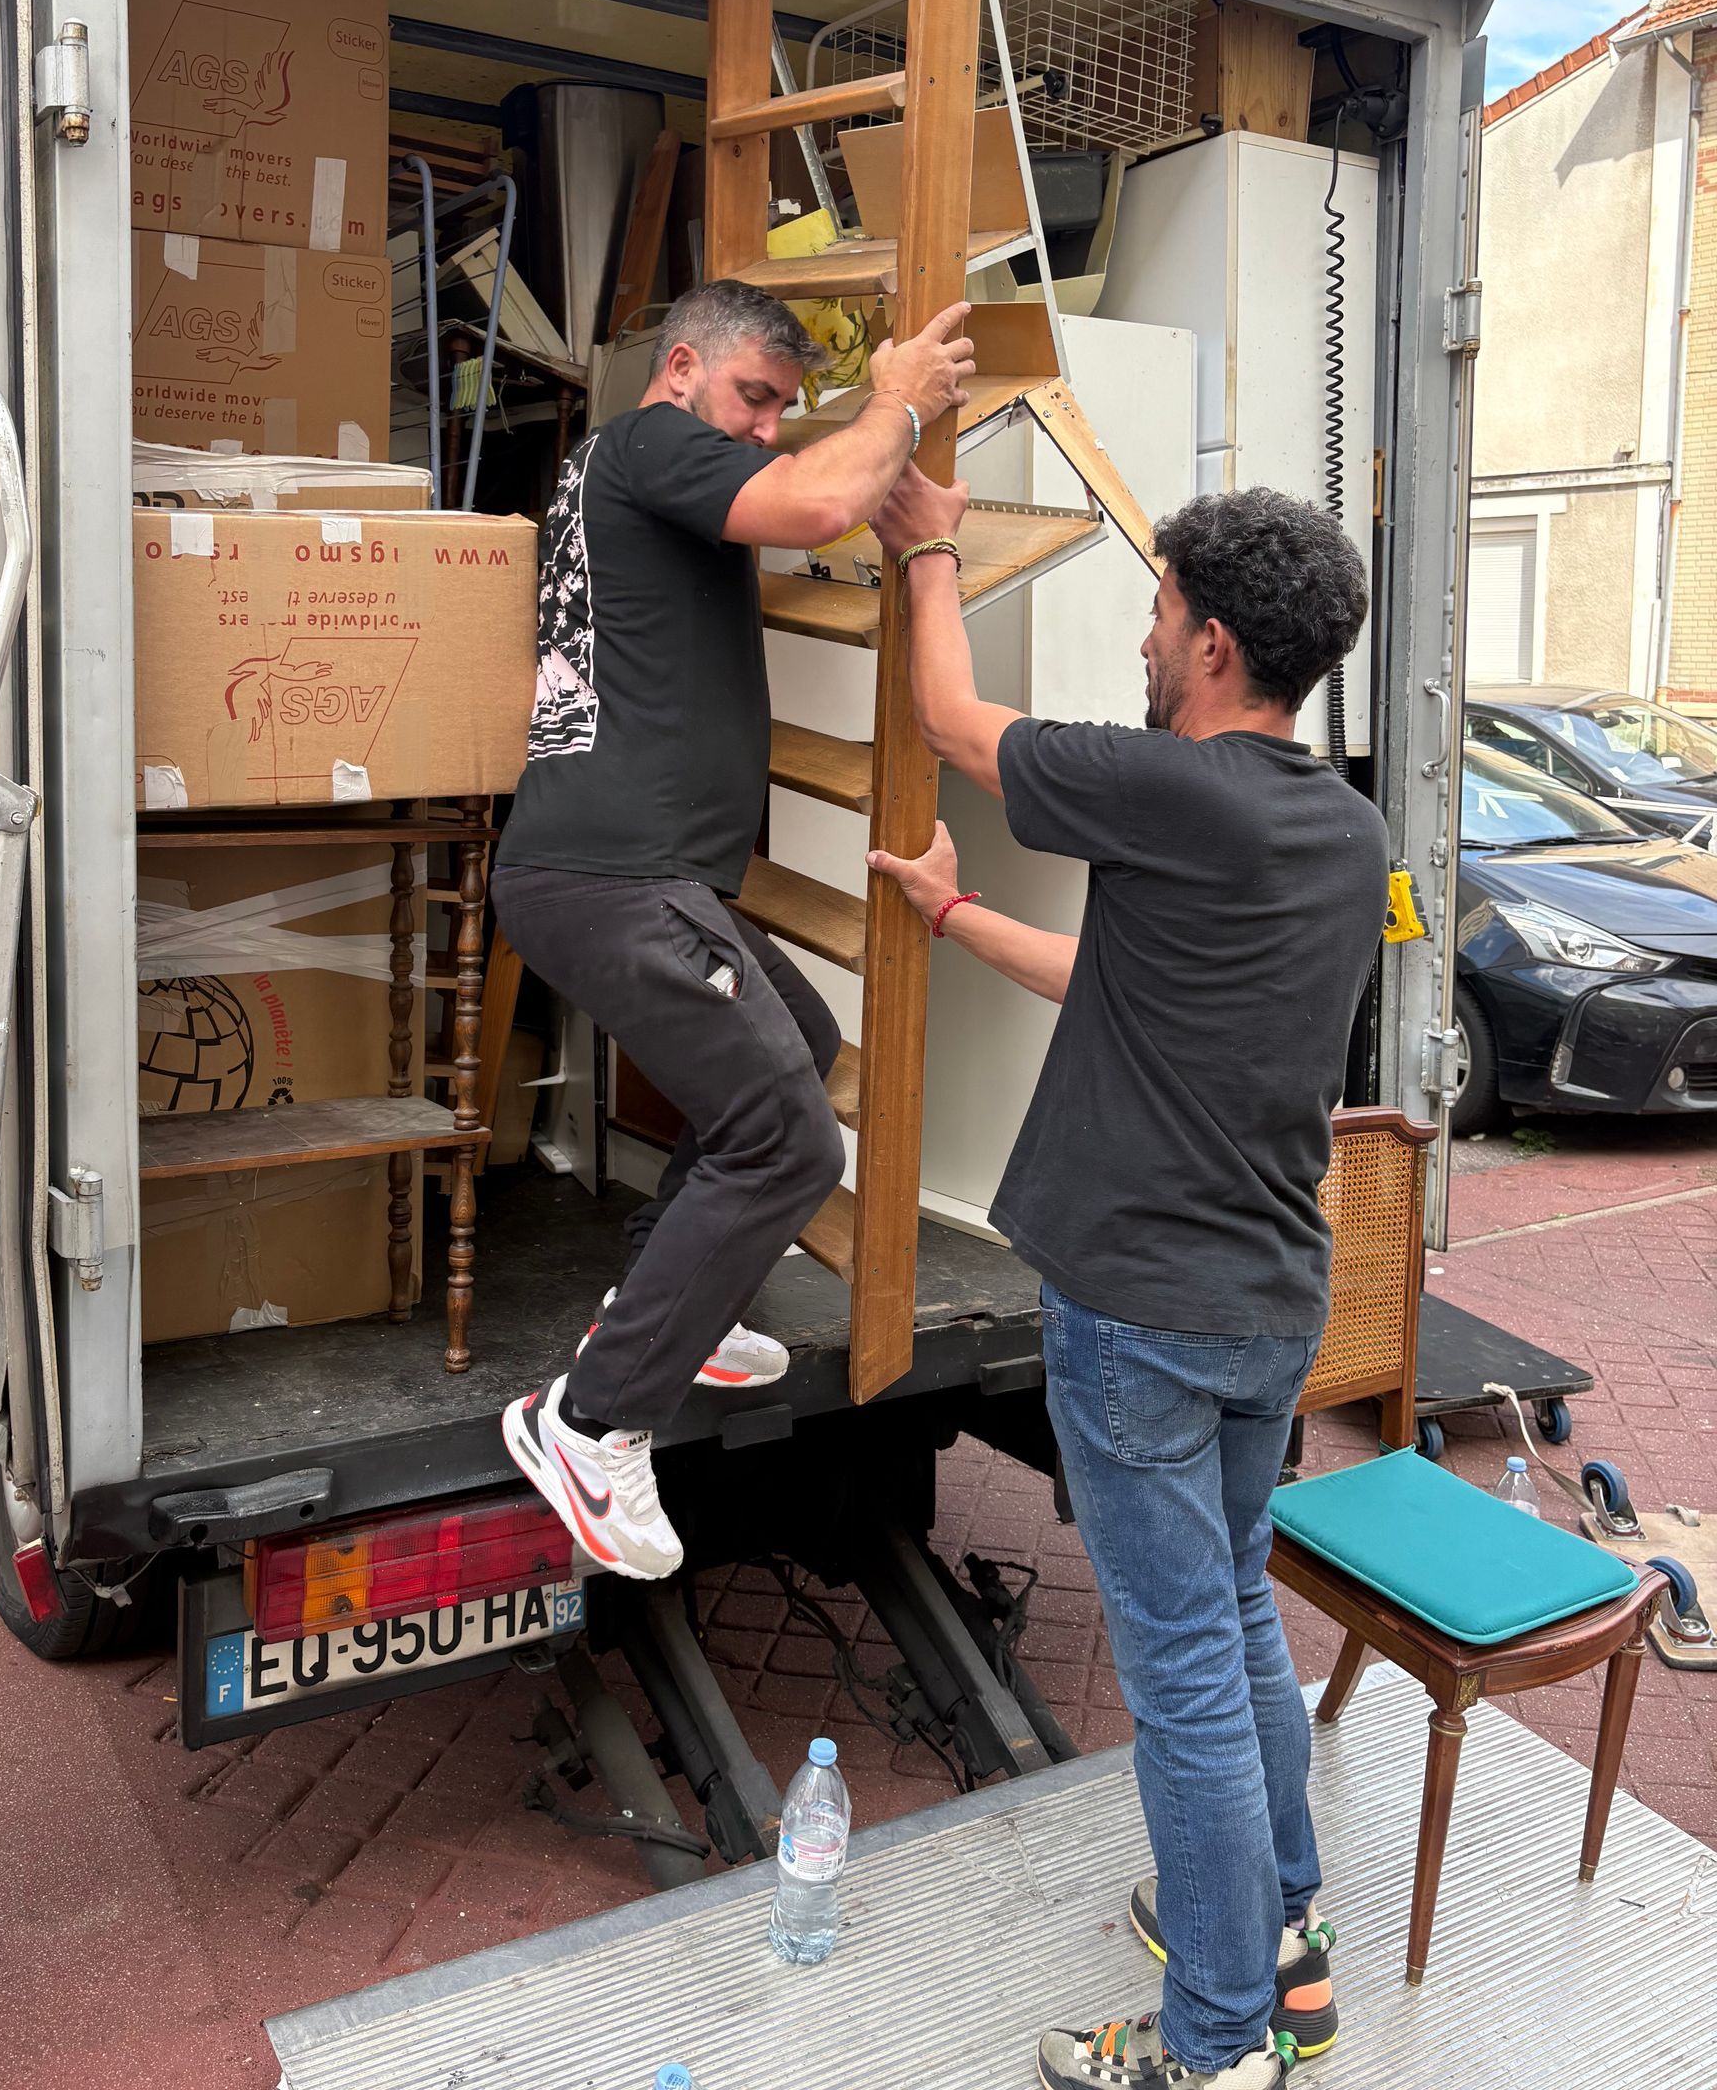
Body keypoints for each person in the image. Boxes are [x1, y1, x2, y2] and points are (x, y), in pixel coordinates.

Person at [866, 471, 1386, 2090]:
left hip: (1144, 1321)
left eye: (1158, 611)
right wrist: (954, 916)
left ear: (1215, 646)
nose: (1142, 636)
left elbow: (952, 716)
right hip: (1262, 1303)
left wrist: (926, 536)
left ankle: (1220, 2041)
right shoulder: (1338, 825)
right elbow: (1114, 979)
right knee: (1231, 1620)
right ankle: (1277, 1931)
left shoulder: (1173, 787)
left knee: (1182, 1691)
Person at [495, 276, 974, 1582]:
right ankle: (591, 1421)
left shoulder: (652, 472)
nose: (763, 429)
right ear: (682, 366)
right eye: (755, 399)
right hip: (611, 872)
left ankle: (667, 1311)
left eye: (778, 408)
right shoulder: (651, 442)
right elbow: (821, 498)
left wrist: (910, 510)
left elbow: (817, 495)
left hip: (639, 877)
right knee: (787, 1137)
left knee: (796, 1042)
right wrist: (893, 405)